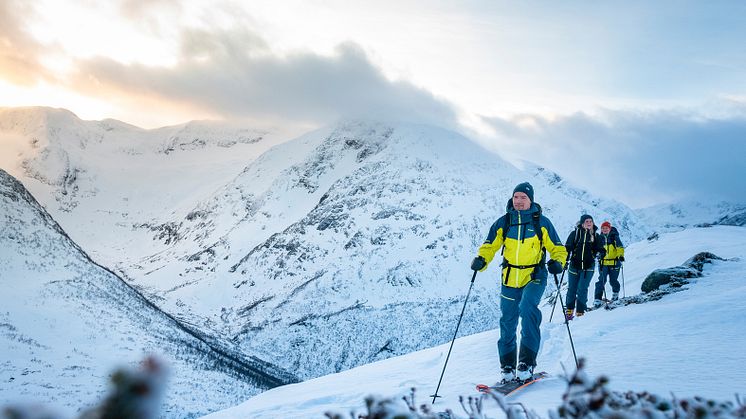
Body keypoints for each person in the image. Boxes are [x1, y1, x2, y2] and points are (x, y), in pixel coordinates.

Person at [470, 182, 567, 383]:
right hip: (509, 277)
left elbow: (558, 247)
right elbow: (490, 245)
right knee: (508, 320)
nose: (519, 201)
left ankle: (526, 363)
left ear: (531, 199)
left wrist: (558, 262)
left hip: (535, 275)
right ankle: (507, 365)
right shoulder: (504, 222)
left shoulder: (541, 222)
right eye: (516, 197)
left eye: (523, 197)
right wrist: (482, 259)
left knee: (527, 309)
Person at [563, 214, 605, 319]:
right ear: (582, 223)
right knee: (572, 289)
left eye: (591, 221)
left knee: (582, 288)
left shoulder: (596, 236)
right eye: (587, 221)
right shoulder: (575, 234)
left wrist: (600, 254)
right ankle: (569, 310)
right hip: (574, 266)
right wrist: (565, 261)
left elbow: (601, 249)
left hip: (588, 267)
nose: (589, 223)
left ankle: (580, 311)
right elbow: (568, 248)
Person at [593, 221, 625, 307]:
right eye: (603, 228)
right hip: (603, 263)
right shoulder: (599, 238)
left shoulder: (614, 237)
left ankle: (615, 295)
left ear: (609, 229)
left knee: (613, 280)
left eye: (606, 228)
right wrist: (597, 254)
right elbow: (596, 249)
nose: (605, 229)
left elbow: (620, 247)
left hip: (614, 262)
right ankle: (597, 299)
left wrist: (621, 256)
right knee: (601, 281)